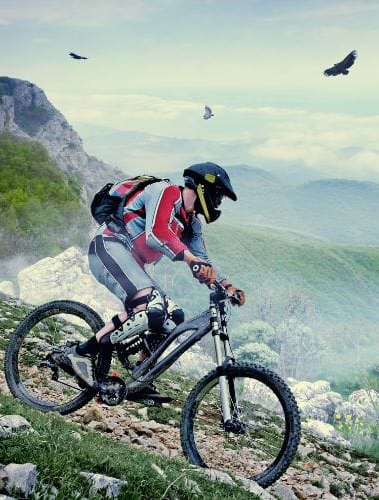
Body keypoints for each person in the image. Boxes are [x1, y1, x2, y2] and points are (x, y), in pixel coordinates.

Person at [54, 162, 246, 405]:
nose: (217, 204)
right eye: (217, 196)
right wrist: (189, 259)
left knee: (174, 315)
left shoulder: (191, 223)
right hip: (108, 248)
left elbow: (203, 260)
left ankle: (139, 379)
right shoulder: (166, 192)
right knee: (150, 303)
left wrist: (226, 286)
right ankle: (79, 353)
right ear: (202, 187)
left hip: (132, 264)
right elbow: (156, 234)